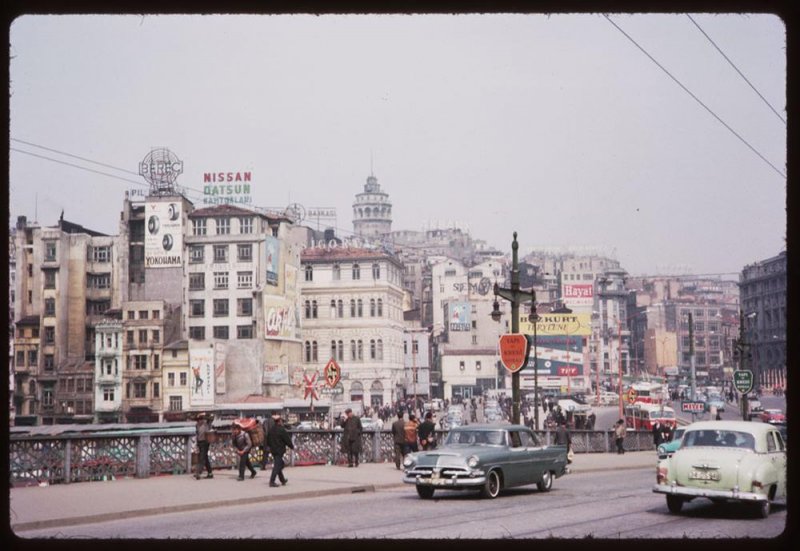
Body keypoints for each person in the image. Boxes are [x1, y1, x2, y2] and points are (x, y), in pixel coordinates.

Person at [266, 415, 293, 487]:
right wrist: (291, 446)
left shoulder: (271, 430)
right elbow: (286, 439)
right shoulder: (281, 430)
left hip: (273, 450)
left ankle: (282, 480)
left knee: (279, 464)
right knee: (278, 465)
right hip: (279, 450)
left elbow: (268, 440)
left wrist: (270, 446)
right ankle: (272, 481)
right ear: (279, 421)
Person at [194, 413, 213, 479]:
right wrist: (196, 443)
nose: (200, 421)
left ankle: (198, 472)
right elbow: (197, 434)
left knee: (202, 457)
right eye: (198, 420)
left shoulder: (206, 424)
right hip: (199, 442)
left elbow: (211, 418)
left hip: (205, 442)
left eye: (201, 419)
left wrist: (205, 416)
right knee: (204, 457)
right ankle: (210, 472)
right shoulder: (197, 425)